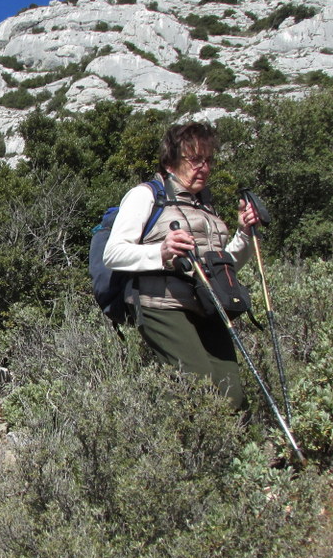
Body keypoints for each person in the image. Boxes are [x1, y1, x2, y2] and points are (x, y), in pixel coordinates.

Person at [103, 122, 259, 411]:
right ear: (171, 161)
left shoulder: (205, 205)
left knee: (232, 396)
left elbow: (226, 264)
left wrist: (245, 234)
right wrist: (160, 251)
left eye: (209, 160)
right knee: (197, 389)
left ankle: (220, 452)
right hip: (161, 304)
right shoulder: (146, 195)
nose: (204, 167)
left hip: (208, 303)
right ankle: (171, 448)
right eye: (195, 159)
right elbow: (113, 254)